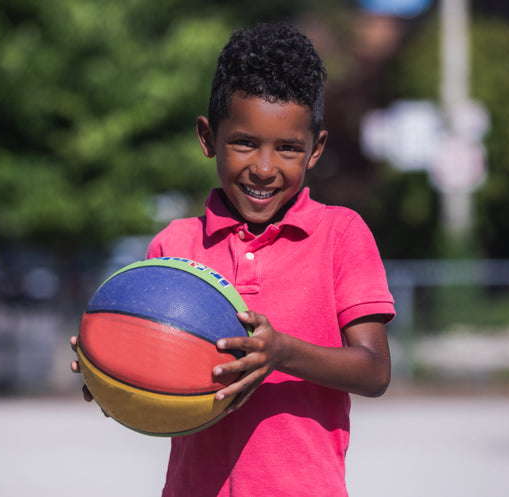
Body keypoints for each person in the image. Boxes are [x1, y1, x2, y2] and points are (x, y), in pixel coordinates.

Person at [71, 22, 395, 497]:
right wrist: (110, 377)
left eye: (287, 148)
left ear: (316, 150)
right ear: (208, 138)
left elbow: (374, 370)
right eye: (244, 142)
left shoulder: (341, 235)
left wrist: (282, 351)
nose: (264, 168)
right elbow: (154, 387)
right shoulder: (173, 248)